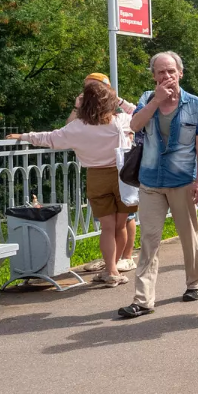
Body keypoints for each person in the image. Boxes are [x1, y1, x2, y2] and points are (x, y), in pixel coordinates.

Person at [9, 79, 137, 286]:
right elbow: (139, 113)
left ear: (83, 103)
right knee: (121, 225)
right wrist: (120, 101)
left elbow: (49, 138)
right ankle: (114, 266)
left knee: (107, 227)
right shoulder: (119, 122)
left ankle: (111, 271)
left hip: (97, 176)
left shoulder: (76, 128)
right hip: (123, 175)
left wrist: (23, 136)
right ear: (109, 102)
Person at [117, 52, 198, 319]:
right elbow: (134, 125)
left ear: (180, 73)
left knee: (188, 236)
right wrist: (155, 102)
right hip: (150, 181)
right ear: (154, 76)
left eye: (171, 71)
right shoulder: (147, 99)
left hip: (182, 181)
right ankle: (143, 300)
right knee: (149, 240)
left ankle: (195, 282)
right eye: (160, 72)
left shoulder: (195, 105)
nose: (166, 76)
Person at [69, 72, 138, 274]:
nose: (88, 90)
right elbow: (70, 129)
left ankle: (124, 258)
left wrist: (119, 101)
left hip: (121, 169)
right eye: (86, 86)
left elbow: (139, 114)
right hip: (107, 171)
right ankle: (112, 263)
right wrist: (78, 107)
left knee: (125, 219)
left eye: (92, 86)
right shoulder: (90, 114)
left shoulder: (116, 114)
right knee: (115, 223)